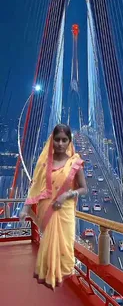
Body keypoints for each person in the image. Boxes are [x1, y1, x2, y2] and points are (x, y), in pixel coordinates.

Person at [19, 124, 87, 290]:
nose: (60, 143)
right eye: (57, 139)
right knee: (48, 243)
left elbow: (84, 188)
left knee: (65, 245)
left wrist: (66, 195)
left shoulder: (75, 162)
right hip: (48, 208)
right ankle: (49, 275)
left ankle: (64, 276)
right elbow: (35, 186)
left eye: (65, 140)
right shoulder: (45, 164)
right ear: (52, 140)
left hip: (65, 210)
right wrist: (25, 208)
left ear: (70, 142)